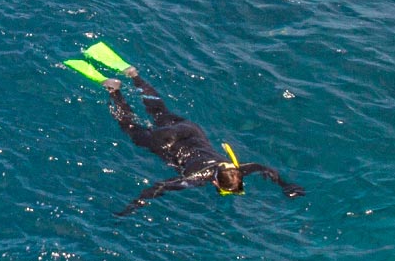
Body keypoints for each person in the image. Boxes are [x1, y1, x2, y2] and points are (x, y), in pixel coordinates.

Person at [66, 43, 303, 215]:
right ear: (215, 183)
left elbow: (266, 169)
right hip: (168, 144)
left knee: (159, 111)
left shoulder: (241, 168)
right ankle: (113, 89)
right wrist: (132, 208)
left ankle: (134, 76)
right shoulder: (195, 179)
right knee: (129, 126)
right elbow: (158, 188)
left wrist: (285, 184)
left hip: (189, 130)